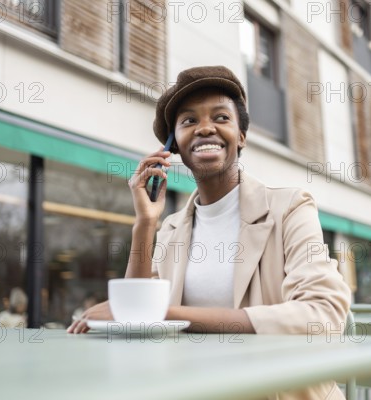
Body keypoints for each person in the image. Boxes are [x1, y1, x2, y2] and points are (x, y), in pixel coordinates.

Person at [68, 66, 351, 399]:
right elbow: (136, 321)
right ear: (173, 147)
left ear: (241, 136)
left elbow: (323, 315)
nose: (205, 128)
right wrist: (145, 223)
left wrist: (159, 314)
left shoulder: (290, 208)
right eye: (189, 121)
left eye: (220, 117)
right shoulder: (172, 228)